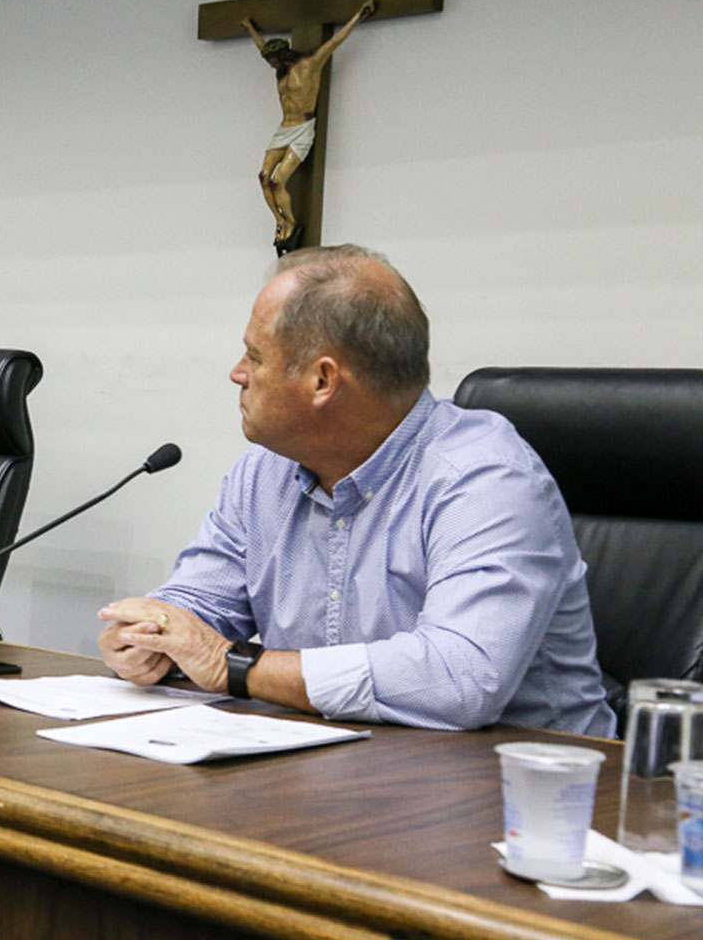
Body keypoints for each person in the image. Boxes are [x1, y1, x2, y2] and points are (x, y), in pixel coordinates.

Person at [98, 245, 615, 737]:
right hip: (339, 771)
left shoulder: (482, 477)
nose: (236, 375)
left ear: (323, 381)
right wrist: (149, 636)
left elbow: (461, 679)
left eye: (254, 357)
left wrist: (229, 665)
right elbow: (196, 608)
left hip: (531, 796)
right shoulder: (263, 473)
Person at [241, 0, 373, 252]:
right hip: (283, 128)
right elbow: (262, 47)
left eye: (271, 60)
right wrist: (250, 29)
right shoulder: (279, 71)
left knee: (278, 182)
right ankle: (279, 219)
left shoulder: (309, 65)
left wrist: (359, 16)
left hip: (302, 128)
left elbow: (335, 42)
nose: (270, 64)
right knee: (263, 177)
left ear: (280, 56)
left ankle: (290, 221)